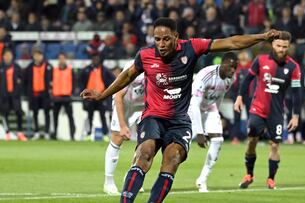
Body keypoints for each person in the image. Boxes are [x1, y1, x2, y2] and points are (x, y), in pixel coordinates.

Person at [81, 17, 281, 203]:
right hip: (153, 117)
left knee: (172, 159)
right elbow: (126, 76)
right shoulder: (146, 55)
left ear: (176, 37)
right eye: (157, 39)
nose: (161, 43)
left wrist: (262, 37)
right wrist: (102, 95)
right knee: (144, 153)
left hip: (179, 121)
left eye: (166, 39)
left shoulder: (191, 48)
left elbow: (232, 43)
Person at [234, 31, 301, 189]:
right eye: (278, 46)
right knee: (252, 141)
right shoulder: (261, 60)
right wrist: (239, 97)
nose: (281, 49)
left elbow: (297, 93)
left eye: (284, 47)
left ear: (288, 47)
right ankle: (249, 174)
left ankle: (271, 179)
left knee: (275, 145)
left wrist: (295, 115)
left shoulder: (293, 67)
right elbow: (248, 79)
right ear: (273, 44)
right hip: (257, 109)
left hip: (276, 113)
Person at [188, 52, 238, 192]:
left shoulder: (230, 78)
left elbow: (219, 96)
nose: (233, 70)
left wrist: (217, 114)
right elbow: (195, 104)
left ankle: (202, 180)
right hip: (192, 109)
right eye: (230, 66)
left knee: (218, 140)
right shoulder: (205, 75)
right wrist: (200, 133)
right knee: (182, 148)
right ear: (222, 64)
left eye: (235, 67)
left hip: (210, 108)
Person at [103, 60, 146, 195]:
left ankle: (132, 178)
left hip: (143, 105)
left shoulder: (160, 68)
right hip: (124, 103)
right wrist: (122, 125)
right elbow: (118, 96)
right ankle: (108, 182)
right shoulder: (133, 68)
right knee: (117, 138)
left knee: (146, 142)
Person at [80, 53, 115, 140]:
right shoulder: (87, 70)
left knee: (103, 116)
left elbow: (113, 80)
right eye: (94, 58)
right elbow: (80, 81)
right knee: (89, 116)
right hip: (89, 97)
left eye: (96, 58)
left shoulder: (104, 70)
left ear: (99, 59)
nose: (95, 60)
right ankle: (88, 134)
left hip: (101, 96)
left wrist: (107, 92)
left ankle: (105, 134)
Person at [24, 47, 52, 140]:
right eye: (36, 55)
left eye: (39, 55)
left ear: (42, 56)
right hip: (34, 94)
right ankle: (36, 132)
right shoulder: (29, 67)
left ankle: (47, 132)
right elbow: (26, 81)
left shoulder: (48, 66)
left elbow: (52, 80)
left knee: (46, 113)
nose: (37, 57)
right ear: (33, 56)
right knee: (35, 113)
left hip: (45, 94)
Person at [0, 49, 27, 141]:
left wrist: (18, 88)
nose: (7, 57)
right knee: (5, 114)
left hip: (15, 95)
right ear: (3, 57)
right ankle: (7, 133)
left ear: (12, 56)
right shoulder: (1, 67)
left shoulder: (17, 67)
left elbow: (21, 80)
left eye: (9, 55)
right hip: (4, 95)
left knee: (19, 112)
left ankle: (20, 132)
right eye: (6, 55)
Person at [52, 53, 76, 140]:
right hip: (56, 96)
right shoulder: (54, 70)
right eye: (60, 58)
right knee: (55, 117)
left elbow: (74, 82)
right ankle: (54, 135)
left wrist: (72, 92)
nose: (61, 60)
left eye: (63, 58)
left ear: (65, 59)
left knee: (70, 117)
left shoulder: (70, 70)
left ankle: (72, 135)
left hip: (66, 96)